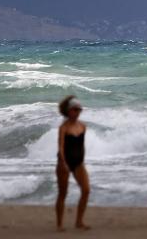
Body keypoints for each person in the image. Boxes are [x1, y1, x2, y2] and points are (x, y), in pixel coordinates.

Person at [55, 96, 90, 231]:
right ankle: (59, 224)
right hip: (64, 162)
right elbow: (61, 147)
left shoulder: (82, 126)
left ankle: (79, 222)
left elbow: (82, 146)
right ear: (69, 111)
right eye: (75, 110)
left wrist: (82, 161)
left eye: (79, 110)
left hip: (78, 163)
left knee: (86, 190)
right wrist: (63, 163)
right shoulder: (63, 128)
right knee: (63, 193)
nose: (77, 112)